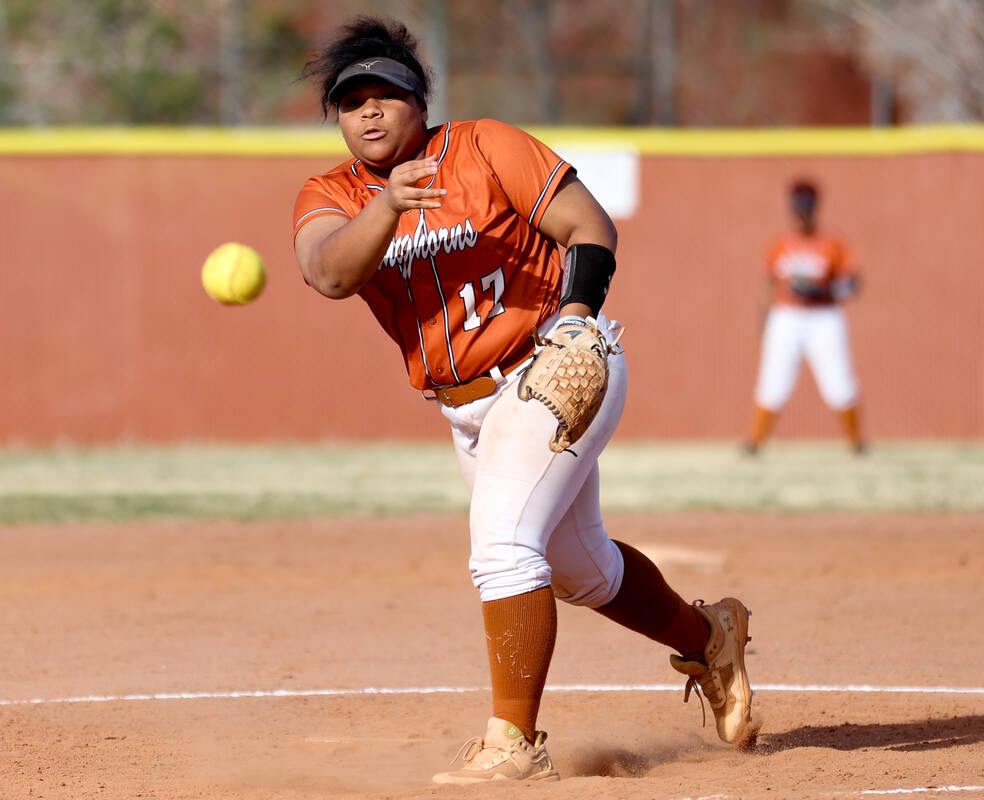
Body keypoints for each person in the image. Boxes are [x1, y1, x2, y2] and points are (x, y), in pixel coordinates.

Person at [292, 17, 755, 784]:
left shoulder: (484, 147)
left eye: (386, 94)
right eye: (351, 102)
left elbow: (589, 226)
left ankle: (514, 743)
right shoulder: (331, 194)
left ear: (420, 100)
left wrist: (575, 319)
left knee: (504, 546)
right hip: (467, 406)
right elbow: (329, 273)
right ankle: (712, 639)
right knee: (578, 571)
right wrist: (388, 207)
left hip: (558, 365)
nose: (369, 111)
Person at [744, 180, 866, 455]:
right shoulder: (780, 245)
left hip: (824, 316)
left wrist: (825, 289)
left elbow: (853, 283)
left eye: (805, 211)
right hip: (786, 317)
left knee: (839, 381)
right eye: (798, 211)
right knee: (773, 382)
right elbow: (768, 288)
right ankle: (754, 443)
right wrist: (763, 326)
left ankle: (857, 443)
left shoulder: (831, 243)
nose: (801, 217)